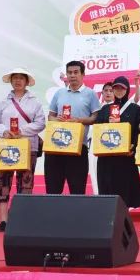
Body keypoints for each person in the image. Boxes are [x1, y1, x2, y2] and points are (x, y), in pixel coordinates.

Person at [0, 68, 46, 232]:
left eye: (21, 78)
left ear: (27, 82)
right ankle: (3, 220)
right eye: (15, 78)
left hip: (28, 146)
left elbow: (41, 123)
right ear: (11, 81)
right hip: (6, 146)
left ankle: (22, 220)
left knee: (26, 183)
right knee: (3, 182)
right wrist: (4, 132)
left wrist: (22, 131)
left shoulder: (35, 102)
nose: (18, 81)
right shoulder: (3, 101)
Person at [46, 60, 101, 195]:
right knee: (53, 190)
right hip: (56, 147)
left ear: (83, 74)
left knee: (77, 190)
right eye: (69, 72)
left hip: (78, 147)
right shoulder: (59, 93)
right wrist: (57, 119)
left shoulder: (90, 94)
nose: (72, 75)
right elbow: (50, 116)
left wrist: (79, 120)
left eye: (76, 72)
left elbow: (96, 118)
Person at [94, 76, 140, 213]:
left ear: (127, 90)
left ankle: (124, 219)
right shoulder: (105, 109)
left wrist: (133, 146)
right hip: (106, 158)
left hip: (125, 157)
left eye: (122, 88)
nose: (119, 90)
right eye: (116, 88)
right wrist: (108, 124)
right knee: (107, 190)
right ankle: (108, 218)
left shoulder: (135, 109)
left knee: (125, 190)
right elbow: (98, 129)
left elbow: (139, 131)